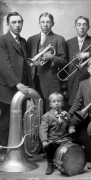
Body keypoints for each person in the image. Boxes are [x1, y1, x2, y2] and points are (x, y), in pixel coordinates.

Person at [0, 12, 32, 162]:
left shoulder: (23, 41)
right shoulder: (2, 40)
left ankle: (18, 150)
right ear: (8, 24)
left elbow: (23, 63)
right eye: (14, 22)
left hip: (22, 87)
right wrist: (17, 83)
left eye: (19, 22)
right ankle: (3, 150)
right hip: (9, 87)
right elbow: (4, 65)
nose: (17, 25)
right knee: (6, 121)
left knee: (20, 119)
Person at [27, 12, 67, 113]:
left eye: (48, 22)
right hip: (35, 81)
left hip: (51, 82)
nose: (45, 24)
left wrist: (52, 57)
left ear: (53, 23)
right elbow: (28, 61)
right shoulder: (31, 40)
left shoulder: (59, 39)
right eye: (42, 22)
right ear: (39, 23)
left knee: (51, 112)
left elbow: (64, 61)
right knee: (37, 110)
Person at [66, 16, 91, 107]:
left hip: (89, 80)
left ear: (88, 27)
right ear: (75, 26)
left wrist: (88, 55)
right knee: (73, 108)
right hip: (72, 83)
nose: (82, 27)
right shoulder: (68, 43)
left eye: (84, 25)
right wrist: (64, 87)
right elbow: (65, 64)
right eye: (79, 25)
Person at [39, 92, 75, 175]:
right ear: (50, 104)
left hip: (64, 138)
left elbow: (70, 123)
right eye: (54, 101)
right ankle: (50, 164)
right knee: (49, 147)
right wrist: (44, 141)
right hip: (52, 139)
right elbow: (43, 129)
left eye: (58, 101)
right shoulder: (47, 116)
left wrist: (71, 128)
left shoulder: (66, 115)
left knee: (70, 148)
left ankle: (66, 163)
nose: (56, 103)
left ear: (62, 103)